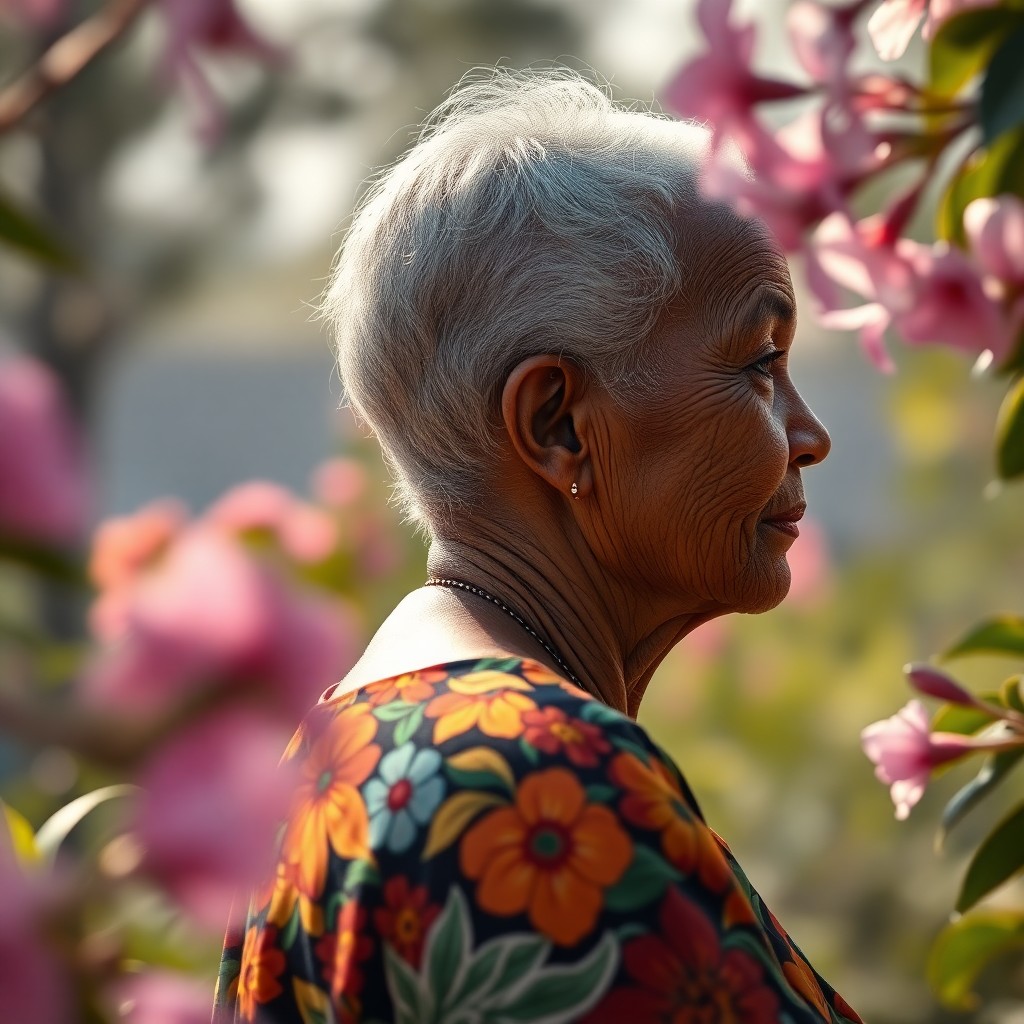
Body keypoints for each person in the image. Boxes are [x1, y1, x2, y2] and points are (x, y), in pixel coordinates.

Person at [216, 68, 861, 1023]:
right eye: (760, 363)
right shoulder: (529, 782)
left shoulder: (338, 755)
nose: (809, 435)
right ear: (558, 422)